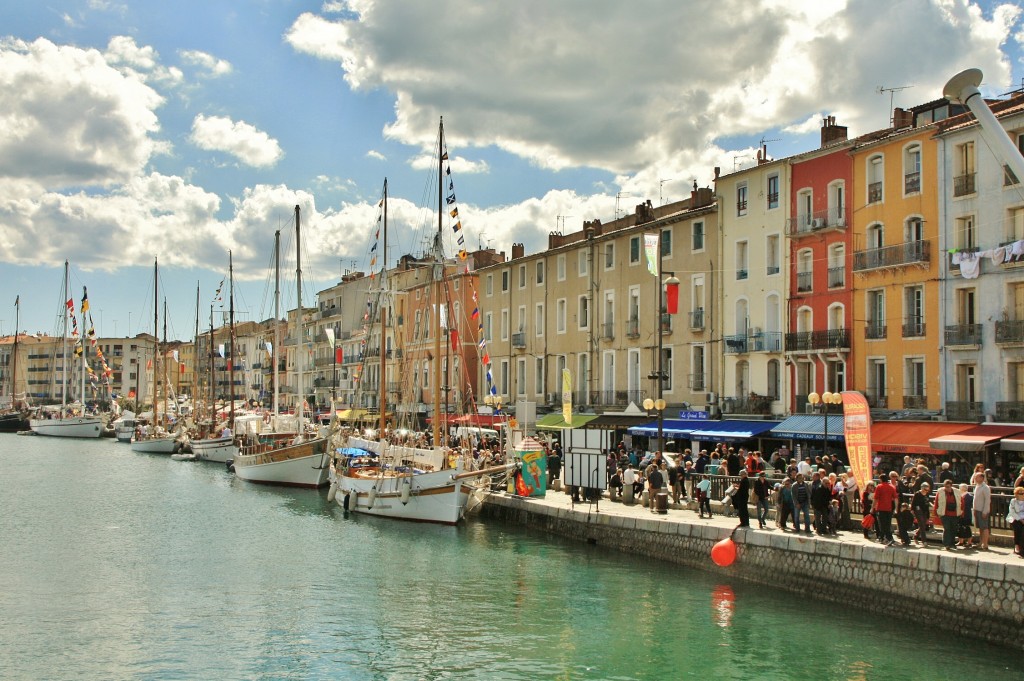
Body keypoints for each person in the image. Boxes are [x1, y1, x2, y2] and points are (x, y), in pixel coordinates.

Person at [933, 479, 962, 551]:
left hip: (955, 513)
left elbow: (961, 502)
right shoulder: (940, 492)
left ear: (951, 486)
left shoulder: (957, 492)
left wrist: (962, 511)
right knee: (947, 528)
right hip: (944, 513)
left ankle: (952, 543)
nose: (947, 488)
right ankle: (947, 544)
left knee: (953, 529)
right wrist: (936, 512)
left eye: (948, 487)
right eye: (945, 487)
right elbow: (936, 502)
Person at [874, 475, 898, 545]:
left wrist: (872, 507)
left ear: (881, 479)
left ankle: (889, 538)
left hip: (881, 508)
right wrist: (896, 509)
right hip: (889, 508)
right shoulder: (892, 487)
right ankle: (882, 538)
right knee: (887, 523)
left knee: (882, 524)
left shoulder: (879, 486)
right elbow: (896, 498)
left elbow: (875, 498)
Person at [973, 471, 992, 551]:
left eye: (977, 477)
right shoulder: (977, 486)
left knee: (984, 527)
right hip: (977, 509)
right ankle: (981, 542)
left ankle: (985, 544)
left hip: (983, 510)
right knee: (980, 527)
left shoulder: (985, 487)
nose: (975, 478)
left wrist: (985, 511)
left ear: (982, 478)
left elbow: (987, 500)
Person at [1008, 487, 1024, 558]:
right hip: (1015, 518)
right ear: (1016, 494)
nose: (1022, 494)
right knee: (1017, 528)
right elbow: (1012, 512)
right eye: (1021, 493)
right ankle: (1017, 545)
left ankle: (1021, 549)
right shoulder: (1013, 501)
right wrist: (1020, 519)